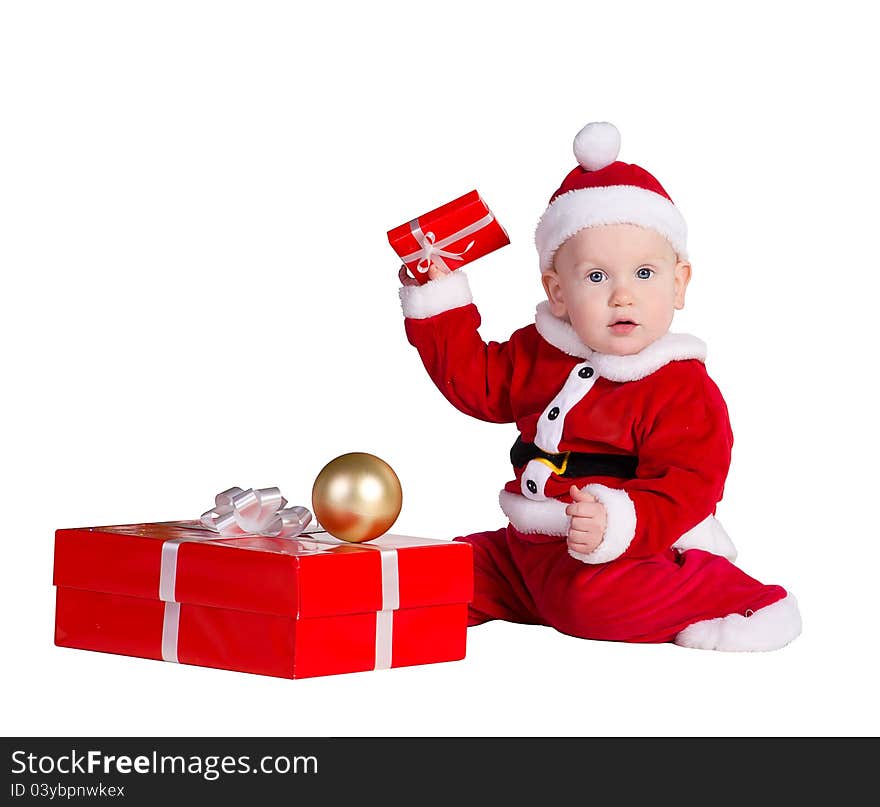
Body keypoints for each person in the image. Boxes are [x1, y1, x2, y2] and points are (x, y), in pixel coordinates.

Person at [397, 122, 801, 651]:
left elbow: (690, 484)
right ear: (557, 292)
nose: (622, 296)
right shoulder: (539, 350)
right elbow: (477, 384)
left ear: (678, 285)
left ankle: (733, 596)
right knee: (436, 577)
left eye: (645, 274)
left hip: (622, 552)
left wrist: (618, 521)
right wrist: (439, 297)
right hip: (526, 550)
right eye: (595, 277)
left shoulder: (678, 384)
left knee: (591, 605)